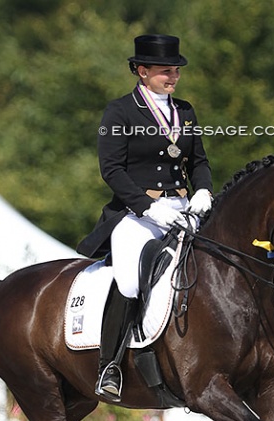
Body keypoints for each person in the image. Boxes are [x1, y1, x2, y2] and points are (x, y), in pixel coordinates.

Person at [77, 34, 213, 402]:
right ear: (142, 71)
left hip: (184, 210)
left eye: (176, 71)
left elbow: (197, 161)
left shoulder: (184, 111)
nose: (173, 77)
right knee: (130, 279)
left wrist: (203, 191)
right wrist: (147, 206)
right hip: (139, 214)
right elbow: (111, 169)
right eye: (165, 71)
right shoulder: (119, 112)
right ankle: (112, 365)